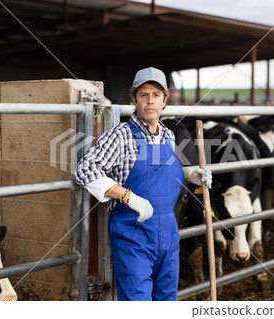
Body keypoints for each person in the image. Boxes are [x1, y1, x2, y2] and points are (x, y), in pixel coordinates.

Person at [75, 67, 212, 301]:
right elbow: (85, 170)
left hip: (168, 231)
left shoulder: (168, 136)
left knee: (166, 297)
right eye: (144, 94)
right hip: (133, 233)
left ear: (165, 100)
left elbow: (169, 170)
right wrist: (128, 197)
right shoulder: (120, 135)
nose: (150, 101)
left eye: (156, 95)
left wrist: (190, 175)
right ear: (134, 99)